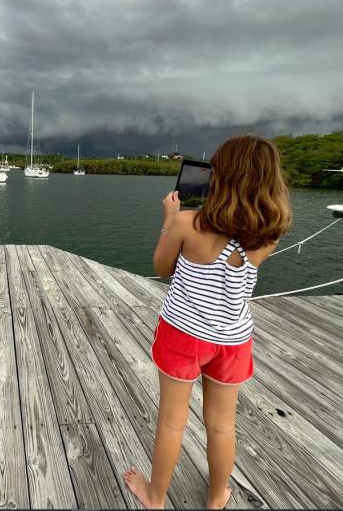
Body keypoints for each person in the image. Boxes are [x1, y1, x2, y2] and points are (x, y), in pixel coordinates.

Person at [124, 135, 292, 509]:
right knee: (221, 424)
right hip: (233, 340)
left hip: (182, 334)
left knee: (171, 422)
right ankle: (217, 497)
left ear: (222, 176)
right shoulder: (268, 234)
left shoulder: (187, 222)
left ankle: (155, 496)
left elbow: (162, 268)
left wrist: (169, 220)